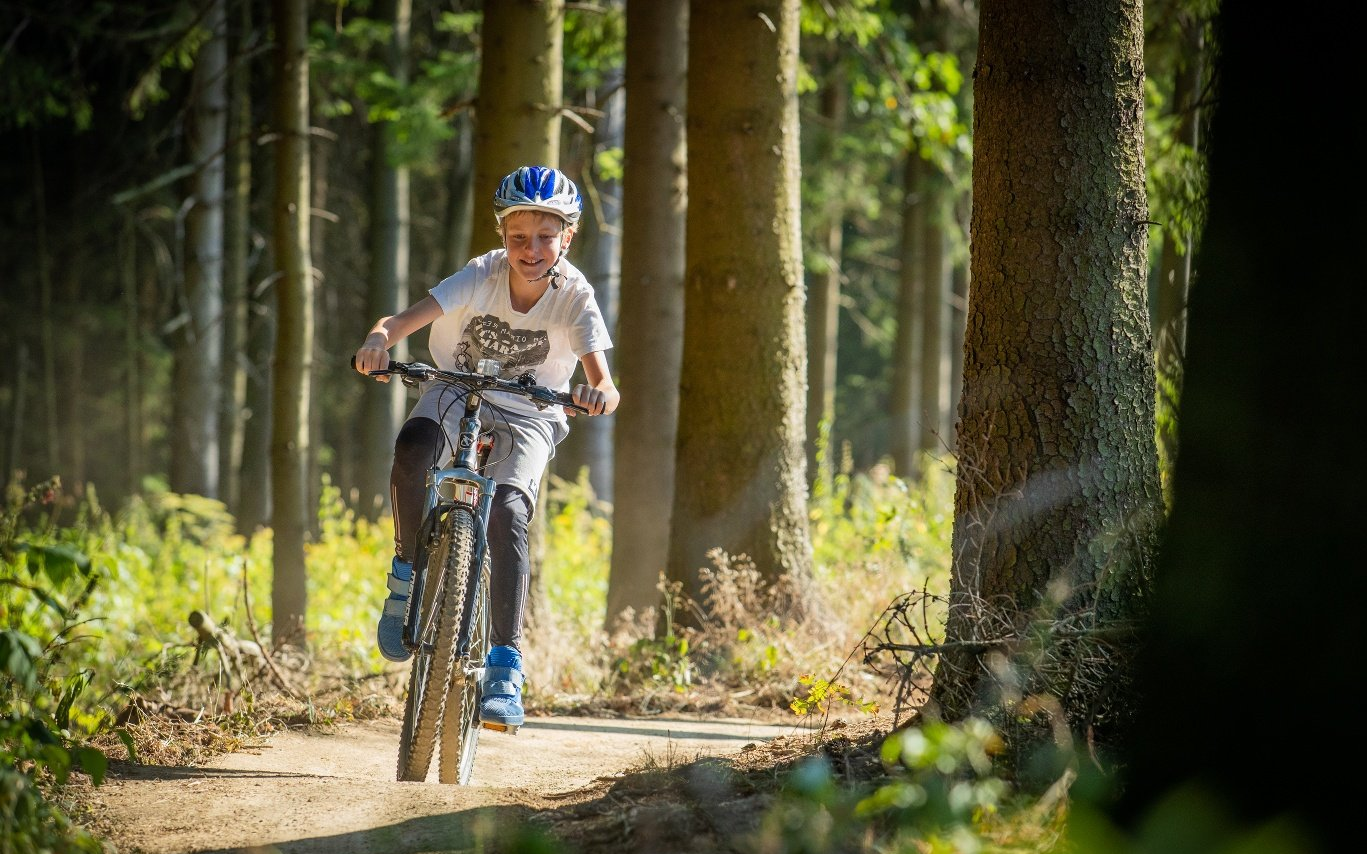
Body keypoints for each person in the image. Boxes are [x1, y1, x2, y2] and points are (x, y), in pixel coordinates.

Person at [352, 165, 619, 728]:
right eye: (518, 236)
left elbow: (605, 383)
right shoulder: (481, 274)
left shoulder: (575, 296)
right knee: (413, 446)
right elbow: (397, 323)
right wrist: (379, 340)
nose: (531, 249)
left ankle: (505, 664)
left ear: (567, 238)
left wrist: (596, 394)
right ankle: (406, 574)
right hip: (456, 389)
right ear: (502, 237)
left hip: (532, 412)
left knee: (508, 510)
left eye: (546, 236)